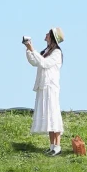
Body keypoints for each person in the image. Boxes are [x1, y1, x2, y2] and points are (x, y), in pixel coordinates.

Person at [22, 27, 64, 155]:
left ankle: (58, 146)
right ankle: (52, 146)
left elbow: (44, 63)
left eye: (48, 33)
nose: (46, 34)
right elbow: (35, 62)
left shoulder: (56, 52)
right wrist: (28, 49)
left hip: (51, 86)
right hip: (43, 85)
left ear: (52, 37)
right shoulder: (46, 51)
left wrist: (32, 49)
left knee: (54, 115)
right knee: (48, 115)